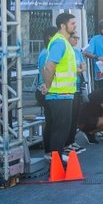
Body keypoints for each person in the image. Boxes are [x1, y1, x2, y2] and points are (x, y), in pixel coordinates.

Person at [40, 13, 79, 160]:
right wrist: (48, 85)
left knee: (57, 126)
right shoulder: (60, 42)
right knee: (61, 127)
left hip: (62, 93)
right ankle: (55, 157)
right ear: (63, 25)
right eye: (72, 23)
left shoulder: (62, 41)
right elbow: (49, 66)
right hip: (59, 93)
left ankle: (53, 155)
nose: (75, 26)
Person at [65, 32, 87, 155]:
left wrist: (80, 69)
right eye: (75, 38)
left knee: (75, 117)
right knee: (68, 117)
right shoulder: (66, 51)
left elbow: (82, 66)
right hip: (67, 88)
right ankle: (66, 143)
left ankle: (72, 141)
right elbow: (73, 69)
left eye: (78, 38)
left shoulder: (77, 51)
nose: (76, 40)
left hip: (78, 87)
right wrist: (79, 69)